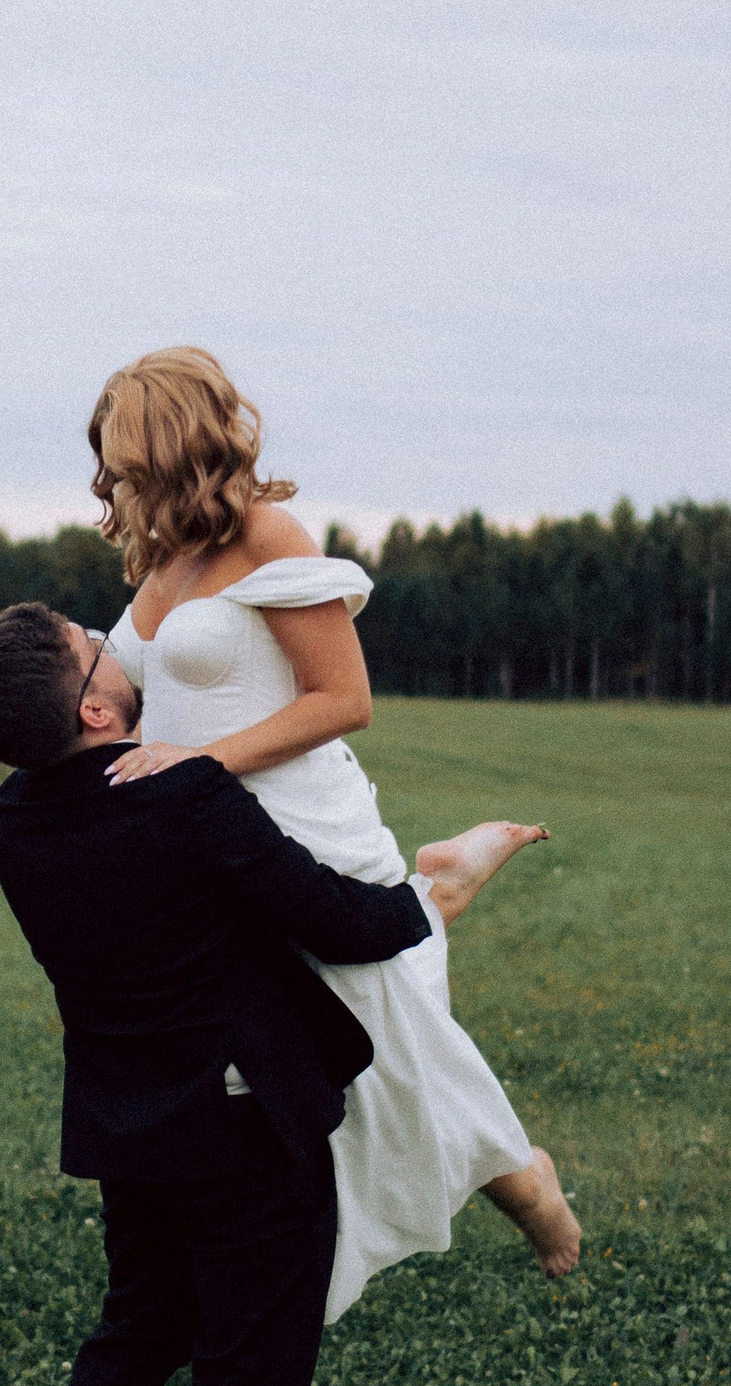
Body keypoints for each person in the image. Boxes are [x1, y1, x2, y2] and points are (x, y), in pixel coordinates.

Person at [0, 598, 533, 1386]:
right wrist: (437, 892)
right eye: (94, 648)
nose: (113, 645)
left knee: (131, 1340)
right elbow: (342, 922)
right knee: (246, 1385)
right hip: (242, 1131)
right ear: (93, 708)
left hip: (131, 1133)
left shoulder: (16, 816)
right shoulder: (182, 796)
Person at [89, 345, 582, 1324]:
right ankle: (439, 896)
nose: (114, 484)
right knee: (296, 1064)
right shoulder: (160, 559)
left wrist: (199, 765)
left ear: (175, 447)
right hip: (205, 861)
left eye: (128, 464)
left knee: (386, 1056)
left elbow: (343, 699)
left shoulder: (269, 535)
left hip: (300, 833)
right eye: (109, 468)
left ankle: (530, 1188)